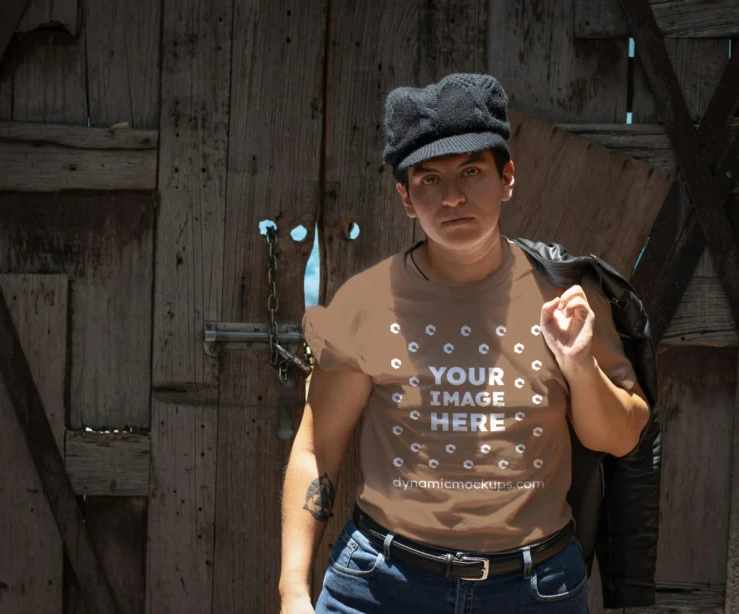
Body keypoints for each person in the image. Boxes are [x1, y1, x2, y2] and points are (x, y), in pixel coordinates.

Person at [278, 73, 651, 614]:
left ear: (507, 179)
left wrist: (577, 365)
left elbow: (620, 439)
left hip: (533, 589)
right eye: (429, 180)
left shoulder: (567, 296)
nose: (452, 196)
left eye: (472, 171)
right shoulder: (365, 302)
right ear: (406, 198)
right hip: (382, 586)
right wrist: (292, 589)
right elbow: (317, 449)